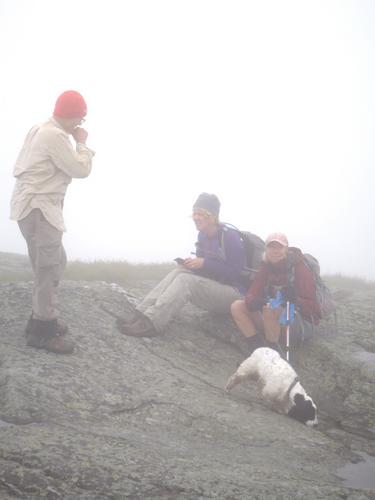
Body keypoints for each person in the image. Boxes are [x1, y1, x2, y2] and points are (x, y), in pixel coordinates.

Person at [10, 90, 95, 354]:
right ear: (72, 115)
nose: (81, 124)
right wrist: (81, 144)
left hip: (33, 208)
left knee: (55, 262)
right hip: (40, 209)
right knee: (48, 268)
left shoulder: (40, 129)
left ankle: (40, 316)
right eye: (80, 118)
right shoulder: (54, 134)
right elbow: (80, 169)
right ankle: (42, 331)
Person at [117, 193, 247, 337]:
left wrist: (205, 263)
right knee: (180, 271)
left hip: (236, 295)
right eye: (194, 213)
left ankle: (151, 323)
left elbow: (236, 272)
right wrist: (193, 265)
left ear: (212, 216)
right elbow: (208, 270)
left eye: (201, 213)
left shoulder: (229, 236)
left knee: (186, 281)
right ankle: (140, 314)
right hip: (217, 286)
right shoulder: (202, 235)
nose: (195, 217)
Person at [231, 232, 321, 355]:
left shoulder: (299, 268)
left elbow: (314, 309)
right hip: (274, 319)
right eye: (271, 247)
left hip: (300, 325)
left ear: (286, 249)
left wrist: (295, 300)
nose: (275, 251)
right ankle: (257, 349)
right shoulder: (266, 267)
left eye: (280, 247)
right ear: (266, 249)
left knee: (271, 309)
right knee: (237, 306)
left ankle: (271, 354)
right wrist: (253, 301)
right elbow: (252, 293)